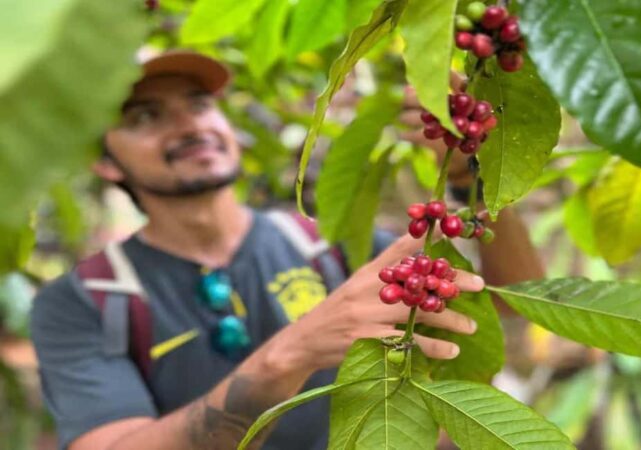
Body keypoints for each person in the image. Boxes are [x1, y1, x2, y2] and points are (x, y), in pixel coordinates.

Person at [30, 51, 543, 450]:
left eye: (200, 104)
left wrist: (468, 174)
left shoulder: (332, 247)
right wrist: (291, 354)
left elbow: (510, 298)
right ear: (105, 163)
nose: (189, 125)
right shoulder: (85, 300)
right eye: (146, 116)